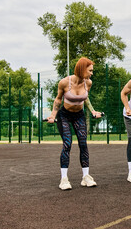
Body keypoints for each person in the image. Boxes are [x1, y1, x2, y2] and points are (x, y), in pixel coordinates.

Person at [47, 57, 102, 190]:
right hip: (64, 116)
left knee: (83, 143)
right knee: (67, 144)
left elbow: (86, 98)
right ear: (82, 69)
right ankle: (64, 179)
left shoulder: (88, 83)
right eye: (90, 70)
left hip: (79, 116)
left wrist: (93, 111)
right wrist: (53, 115)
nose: (91, 73)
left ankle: (86, 177)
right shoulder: (65, 83)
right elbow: (58, 100)